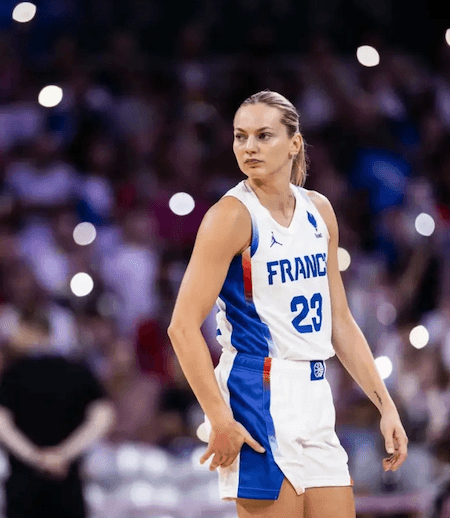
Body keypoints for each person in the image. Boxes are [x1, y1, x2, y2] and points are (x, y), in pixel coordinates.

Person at [167, 90, 408, 518]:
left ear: (294, 142)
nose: (249, 147)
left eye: (263, 135)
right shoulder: (231, 216)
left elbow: (341, 323)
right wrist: (219, 417)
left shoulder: (320, 211)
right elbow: (182, 327)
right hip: (258, 392)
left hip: (317, 392)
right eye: (241, 137)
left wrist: (385, 405)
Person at [0, 309, 116, 518]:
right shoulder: (79, 371)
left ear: (33, 331)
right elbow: (103, 417)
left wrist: (35, 457)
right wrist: (63, 454)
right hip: (67, 481)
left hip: (24, 485)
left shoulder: (13, 373)